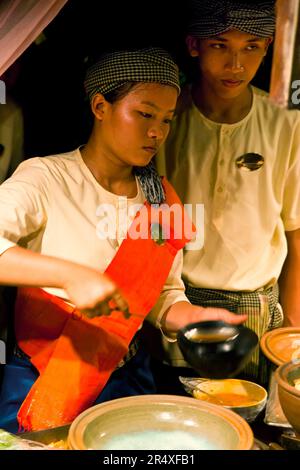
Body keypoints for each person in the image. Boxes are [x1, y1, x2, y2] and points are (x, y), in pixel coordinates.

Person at [0, 47, 246, 433]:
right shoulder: (45, 178)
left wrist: (192, 317)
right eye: (144, 114)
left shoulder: (161, 199)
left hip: (126, 376)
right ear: (100, 106)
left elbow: (164, 294)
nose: (156, 132)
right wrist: (70, 276)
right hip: (43, 375)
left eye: (166, 119)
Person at [154, 0, 300, 386]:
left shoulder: (287, 121)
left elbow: (296, 230)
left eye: (251, 46)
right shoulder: (164, 118)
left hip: (253, 304)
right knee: (177, 416)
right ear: (193, 45)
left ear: (268, 46)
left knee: (247, 426)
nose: (236, 64)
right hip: (175, 299)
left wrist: (292, 329)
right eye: (220, 45)